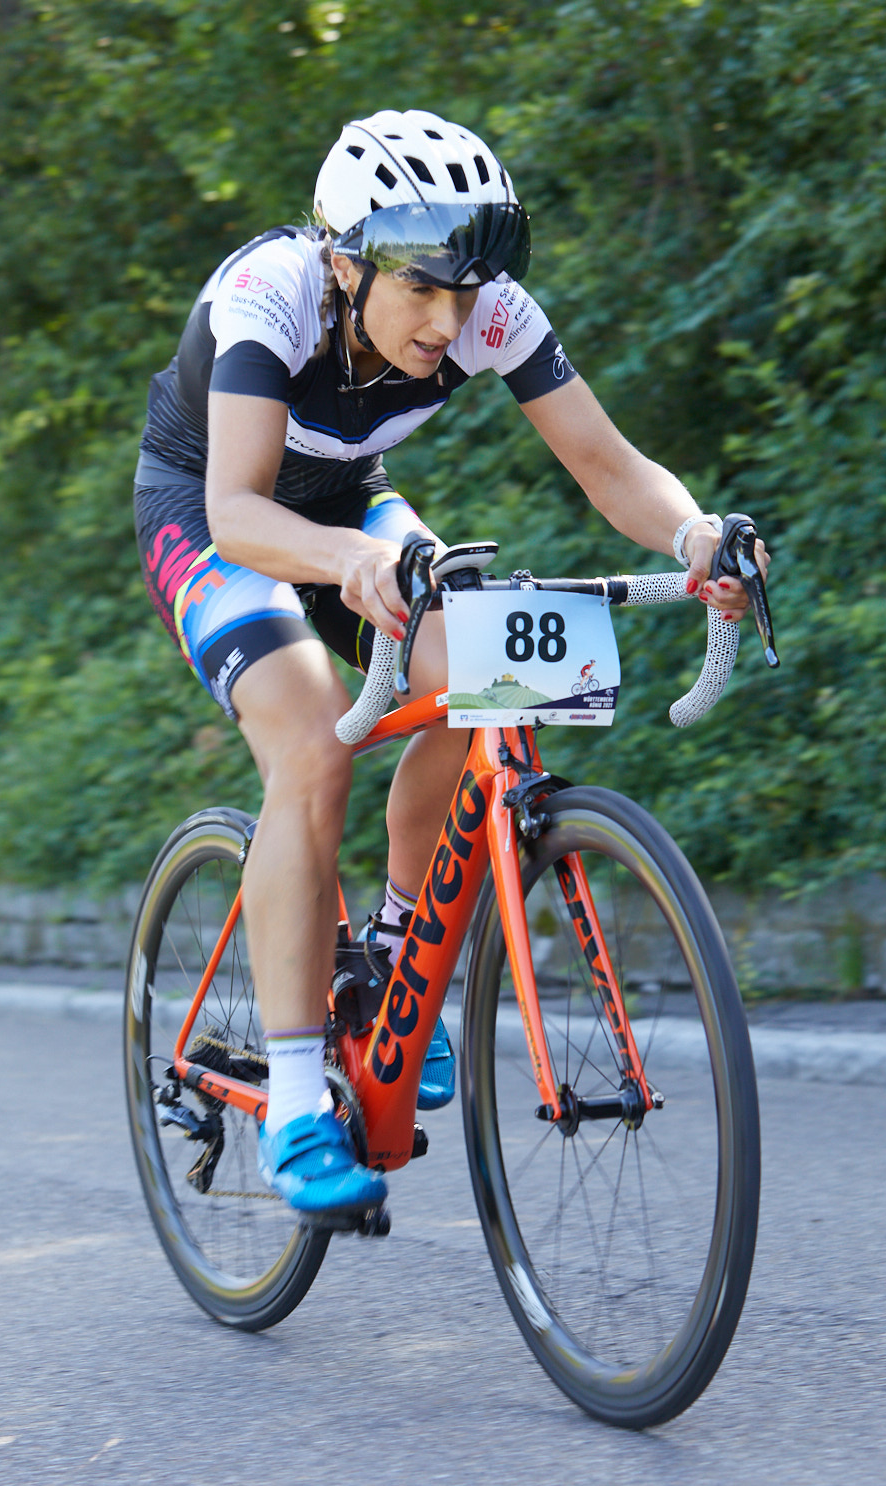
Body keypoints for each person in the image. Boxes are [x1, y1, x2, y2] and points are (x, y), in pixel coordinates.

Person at [134, 108, 765, 1220]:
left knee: (495, 674)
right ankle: (294, 1106)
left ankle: (393, 950)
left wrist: (695, 536)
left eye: (465, 291)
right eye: (421, 288)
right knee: (310, 739)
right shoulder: (272, 296)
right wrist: (350, 560)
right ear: (346, 264)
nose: (448, 318)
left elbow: (607, 464)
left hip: (348, 499)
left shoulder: (487, 309)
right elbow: (237, 509)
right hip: (212, 507)